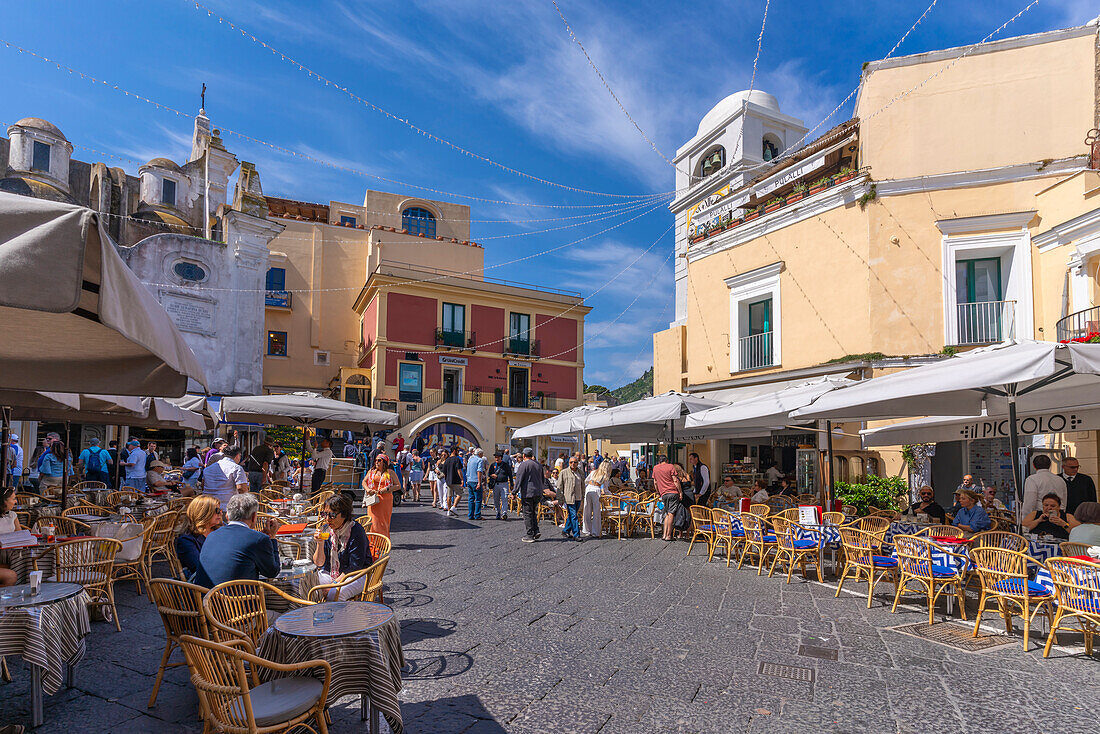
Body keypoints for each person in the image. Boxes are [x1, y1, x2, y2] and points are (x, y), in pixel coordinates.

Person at [193, 493, 280, 589]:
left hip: (205, 599)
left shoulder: (212, 535)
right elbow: (272, 572)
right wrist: (272, 538)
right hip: (236, 601)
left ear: (227, 516)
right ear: (254, 516)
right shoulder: (258, 539)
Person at [311, 494, 372, 600]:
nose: (327, 519)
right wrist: (319, 543)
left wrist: (334, 584)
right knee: (309, 585)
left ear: (344, 514)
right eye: (324, 514)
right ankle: (319, 615)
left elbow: (355, 566)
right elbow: (319, 563)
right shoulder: (327, 529)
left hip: (357, 574)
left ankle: (340, 616)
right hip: (331, 571)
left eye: (332, 515)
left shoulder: (356, 531)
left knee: (334, 594)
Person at [175, 495, 223, 582]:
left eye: (220, 510)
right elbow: (199, 568)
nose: (221, 513)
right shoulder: (186, 540)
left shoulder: (220, 530)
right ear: (204, 513)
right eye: (217, 510)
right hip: (204, 585)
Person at [515, 447, 551, 542]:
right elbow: (543, 479)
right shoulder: (538, 465)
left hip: (528, 493)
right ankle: (536, 530)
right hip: (538, 492)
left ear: (523, 455)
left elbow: (519, 479)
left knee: (527, 513)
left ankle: (530, 534)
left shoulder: (524, 465)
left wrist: (514, 491)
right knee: (533, 512)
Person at [202, 445, 250, 510]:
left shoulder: (208, 469)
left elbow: (203, 485)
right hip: (227, 508)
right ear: (238, 456)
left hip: (208, 506)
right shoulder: (236, 468)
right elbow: (242, 489)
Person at [362, 453, 398, 539]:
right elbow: (364, 482)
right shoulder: (371, 471)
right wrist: (368, 489)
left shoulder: (390, 473)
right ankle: (372, 541)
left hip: (385, 499)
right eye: (376, 460)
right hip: (373, 498)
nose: (376, 462)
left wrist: (387, 489)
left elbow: (398, 486)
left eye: (379, 460)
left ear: (384, 462)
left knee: (383, 521)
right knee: (373, 521)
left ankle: (383, 540)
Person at [653, 458, 682, 542]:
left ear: (659, 461)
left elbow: (655, 482)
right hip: (672, 492)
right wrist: (680, 492)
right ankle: (669, 535)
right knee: (671, 513)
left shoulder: (655, 468)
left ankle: (664, 534)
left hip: (663, 494)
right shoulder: (670, 466)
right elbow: (675, 480)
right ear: (667, 460)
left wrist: (658, 492)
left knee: (666, 514)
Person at [0, 487, 24, 587]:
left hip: (10, 555)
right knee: (11, 576)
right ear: (4, 501)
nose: (15, 501)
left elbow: (20, 536)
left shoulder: (12, 515)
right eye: (13, 499)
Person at [582, 460, 611, 538]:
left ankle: (587, 530)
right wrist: (612, 495)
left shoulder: (593, 472)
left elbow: (586, 481)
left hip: (588, 489)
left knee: (587, 510)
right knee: (596, 512)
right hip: (596, 490)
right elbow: (605, 490)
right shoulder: (605, 476)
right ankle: (595, 531)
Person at [488, 450, 513, 520]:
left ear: (501, 458)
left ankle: (504, 513)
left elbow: (510, 475)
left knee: (504, 498)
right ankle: (498, 512)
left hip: (504, 484)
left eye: (498, 457)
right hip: (496, 484)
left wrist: (511, 484)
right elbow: (489, 474)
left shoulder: (505, 465)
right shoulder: (493, 465)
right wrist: (492, 475)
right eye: (495, 457)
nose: (496, 458)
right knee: (496, 500)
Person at [442, 447, 465, 517]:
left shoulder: (447, 460)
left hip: (448, 480)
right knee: (459, 494)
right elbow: (459, 470)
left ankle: (449, 510)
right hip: (456, 480)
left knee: (449, 496)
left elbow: (444, 471)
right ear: (454, 451)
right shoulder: (457, 459)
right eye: (457, 451)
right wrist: (462, 479)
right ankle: (453, 507)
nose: (458, 452)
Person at [465, 448, 486, 521]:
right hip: (475, 481)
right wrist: (479, 482)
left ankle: (470, 515)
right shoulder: (479, 460)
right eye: (482, 454)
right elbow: (479, 471)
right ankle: (477, 515)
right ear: (479, 454)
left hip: (470, 480)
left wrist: (467, 480)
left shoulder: (470, 459)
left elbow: (467, 470)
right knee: (478, 499)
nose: (482, 455)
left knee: (471, 499)